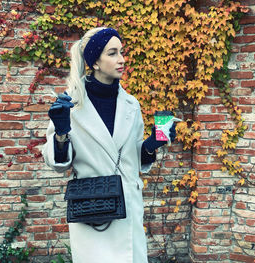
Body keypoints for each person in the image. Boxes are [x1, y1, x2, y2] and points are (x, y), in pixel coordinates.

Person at [42, 27, 176, 263]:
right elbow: (59, 164)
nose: (122, 60)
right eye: (112, 53)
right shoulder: (70, 103)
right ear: (94, 61)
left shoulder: (131, 104)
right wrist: (61, 133)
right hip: (93, 210)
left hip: (128, 208)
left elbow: (133, 157)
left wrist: (151, 145)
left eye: (121, 52)